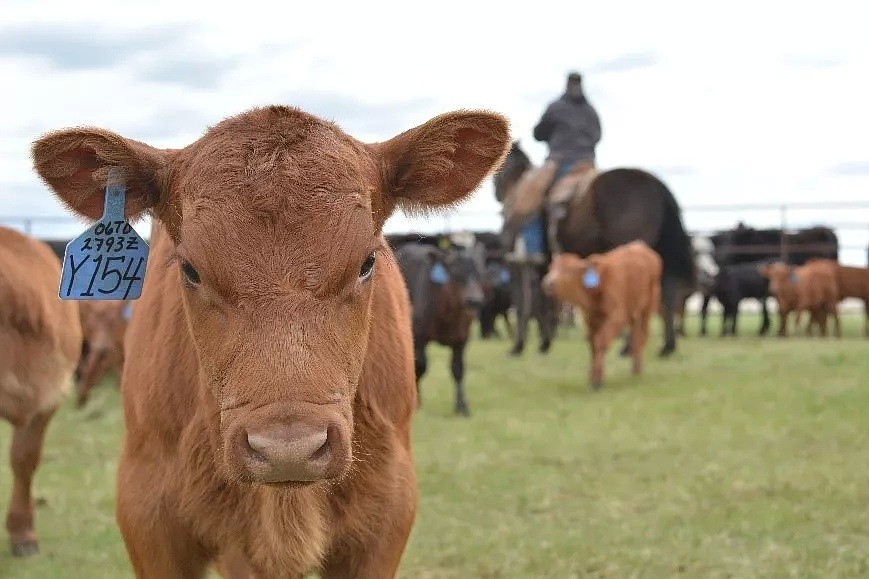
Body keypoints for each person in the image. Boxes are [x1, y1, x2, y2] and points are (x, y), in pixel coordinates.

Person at [523, 71, 602, 255]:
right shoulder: (591, 111)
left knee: (532, 199)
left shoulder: (555, 108)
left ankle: (532, 251)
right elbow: (598, 136)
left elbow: (538, 134)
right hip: (587, 164)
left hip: (560, 161)